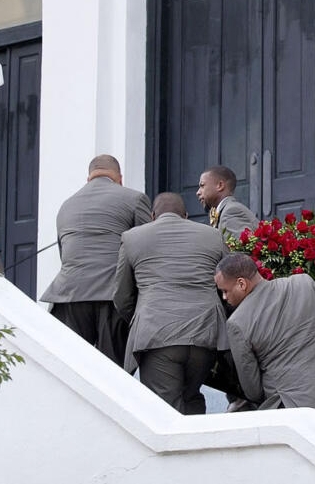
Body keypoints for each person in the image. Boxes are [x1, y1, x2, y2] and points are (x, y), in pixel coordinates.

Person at [112, 192, 228, 414]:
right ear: (185, 215)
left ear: (153, 216)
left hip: (156, 333)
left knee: (164, 410)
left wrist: (139, 320)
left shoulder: (132, 238)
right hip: (205, 333)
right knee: (191, 396)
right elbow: (227, 282)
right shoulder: (213, 235)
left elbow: (122, 296)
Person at [40, 154, 152, 364]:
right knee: (112, 371)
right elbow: (146, 251)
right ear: (120, 178)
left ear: (88, 179)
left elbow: (64, 254)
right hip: (111, 296)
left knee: (73, 369)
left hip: (68, 297)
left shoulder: (67, 205)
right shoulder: (134, 199)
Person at [213, 253, 315, 415]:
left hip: (286, 408)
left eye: (225, 291)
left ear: (241, 283)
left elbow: (253, 390)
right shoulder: (303, 283)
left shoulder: (237, 323)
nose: (224, 297)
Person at [197, 165, 259, 240]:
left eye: (202, 186)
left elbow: (239, 251)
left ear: (220, 185)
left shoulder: (231, 212)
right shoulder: (225, 211)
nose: (198, 192)